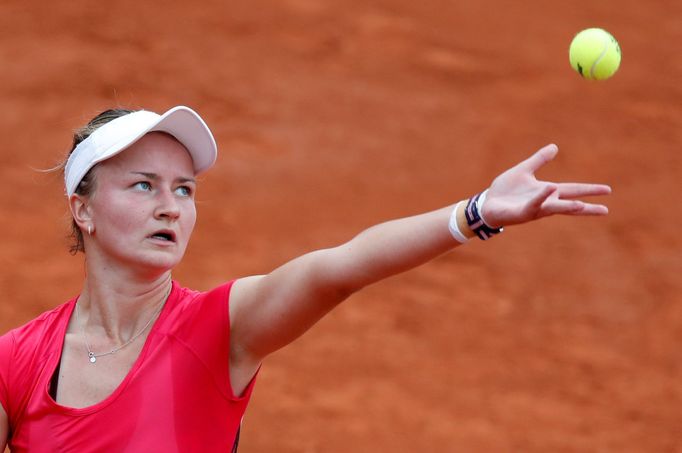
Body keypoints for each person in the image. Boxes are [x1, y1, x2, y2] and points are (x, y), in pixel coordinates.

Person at [0, 105, 611, 452]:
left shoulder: (221, 328)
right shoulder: (16, 362)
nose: (171, 207)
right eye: (144, 185)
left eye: (184, 190)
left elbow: (340, 268)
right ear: (83, 210)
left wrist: (474, 213)